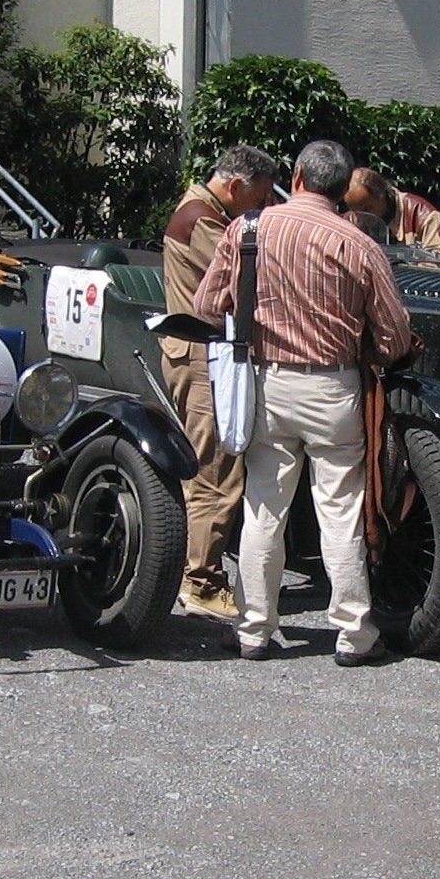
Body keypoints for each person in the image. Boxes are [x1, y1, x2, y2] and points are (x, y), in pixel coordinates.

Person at [194, 139, 415, 665]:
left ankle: (253, 630)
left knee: (263, 508)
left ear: (295, 178)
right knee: (339, 512)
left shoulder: (247, 230)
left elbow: (206, 307)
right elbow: (394, 339)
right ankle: (354, 635)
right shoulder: (359, 243)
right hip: (334, 390)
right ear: (342, 191)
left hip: (267, 384)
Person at [160, 145, 283, 621]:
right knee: (216, 474)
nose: (263, 206)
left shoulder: (200, 210)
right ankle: (201, 583)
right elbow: (247, 277)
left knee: (214, 469)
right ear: (234, 187)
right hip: (203, 357)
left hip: (200, 354)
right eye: (259, 197)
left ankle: (201, 574)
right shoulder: (203, 221)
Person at [344, 167, 440, 266]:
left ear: (381, 194)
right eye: (356, 212)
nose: (361, 218)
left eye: (367, 209)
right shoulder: (355, 220)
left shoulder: (425, 217)